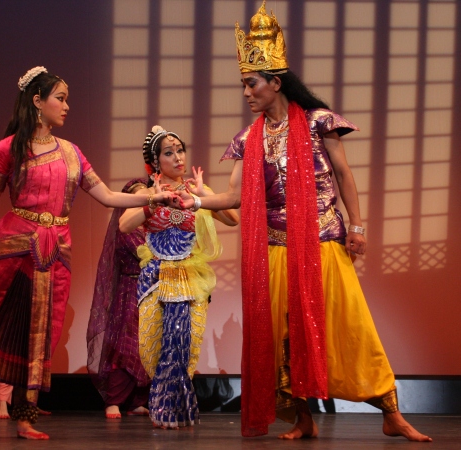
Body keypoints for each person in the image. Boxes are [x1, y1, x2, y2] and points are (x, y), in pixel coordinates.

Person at [177, 2, 431, 442]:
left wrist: (357, 227)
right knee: (282, 339)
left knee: (349, 328)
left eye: (252, 83)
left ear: (275, 82)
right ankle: (303, 418)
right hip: (276, 249)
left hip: (323, 243)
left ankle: (391, 412)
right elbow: (234, 198)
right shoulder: (248, 139)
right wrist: (196, 200)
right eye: (243, 85)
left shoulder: (318, 122)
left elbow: (343, 175)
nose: (246, 93)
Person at [0, 66, 177, 440]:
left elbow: (106, 196)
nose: (67, 106)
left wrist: (154, 197)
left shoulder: (72, 153)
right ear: (38, 101)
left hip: (55, 251)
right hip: (12, 245)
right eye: (60, 99)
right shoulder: (8, 149)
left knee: (42, 333)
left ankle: (24, 417)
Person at [119, 126, 239, 429]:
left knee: (185, 343)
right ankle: (163, 404)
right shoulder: (147, 193)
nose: (178, 157)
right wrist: (155, 201)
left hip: (189, 276)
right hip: (157, 277)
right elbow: (124, 225)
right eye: (169, 153)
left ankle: (176, 409)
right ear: (155, 162)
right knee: (154, 345)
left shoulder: (196, 189)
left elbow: (232, 218)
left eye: (180, 150)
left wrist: (202, 196)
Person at [87, 177, 151, 419]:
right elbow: (145, 254)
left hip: (151, 291)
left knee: (148, 345)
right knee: (126, 346)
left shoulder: (151, 226)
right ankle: (114, 400)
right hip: (130, 290)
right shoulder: (126, 228)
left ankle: (137, 400)